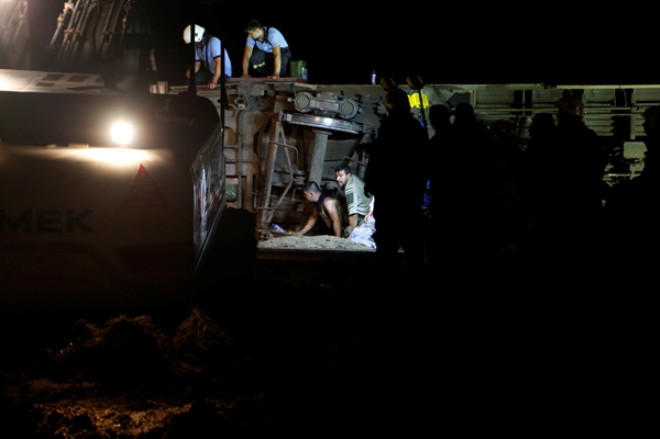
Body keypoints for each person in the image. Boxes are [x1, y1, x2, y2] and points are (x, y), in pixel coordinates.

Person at [363, 87, 429, 268]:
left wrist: (371, 182)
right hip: (410, 194)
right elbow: (424, 161)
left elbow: (379, 159)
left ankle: (388, 275)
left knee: (387, 241)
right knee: (411, 241)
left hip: (389, 194)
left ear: (391, 104)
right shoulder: (416, 128)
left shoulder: (388, 127)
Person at [183, 24, 232, 90]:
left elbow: (220, 63)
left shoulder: (214, 42)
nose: (193, 44)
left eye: (194, 42)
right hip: (211, 73)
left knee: (212, 85)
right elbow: (197, 64)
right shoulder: (197, 47)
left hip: (222, 73)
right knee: (192, 80)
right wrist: (191, 72)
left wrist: (214, 82)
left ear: (199, 38)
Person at [334, 164, 373, 237]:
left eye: (340, 176)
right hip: (369, 209)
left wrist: (352, 233)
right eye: (336, 176)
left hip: (365, 217)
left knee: (349, 232)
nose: (337, 179)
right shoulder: (354, 177)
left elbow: (353, 214)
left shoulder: (350, 189)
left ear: (348, 175)